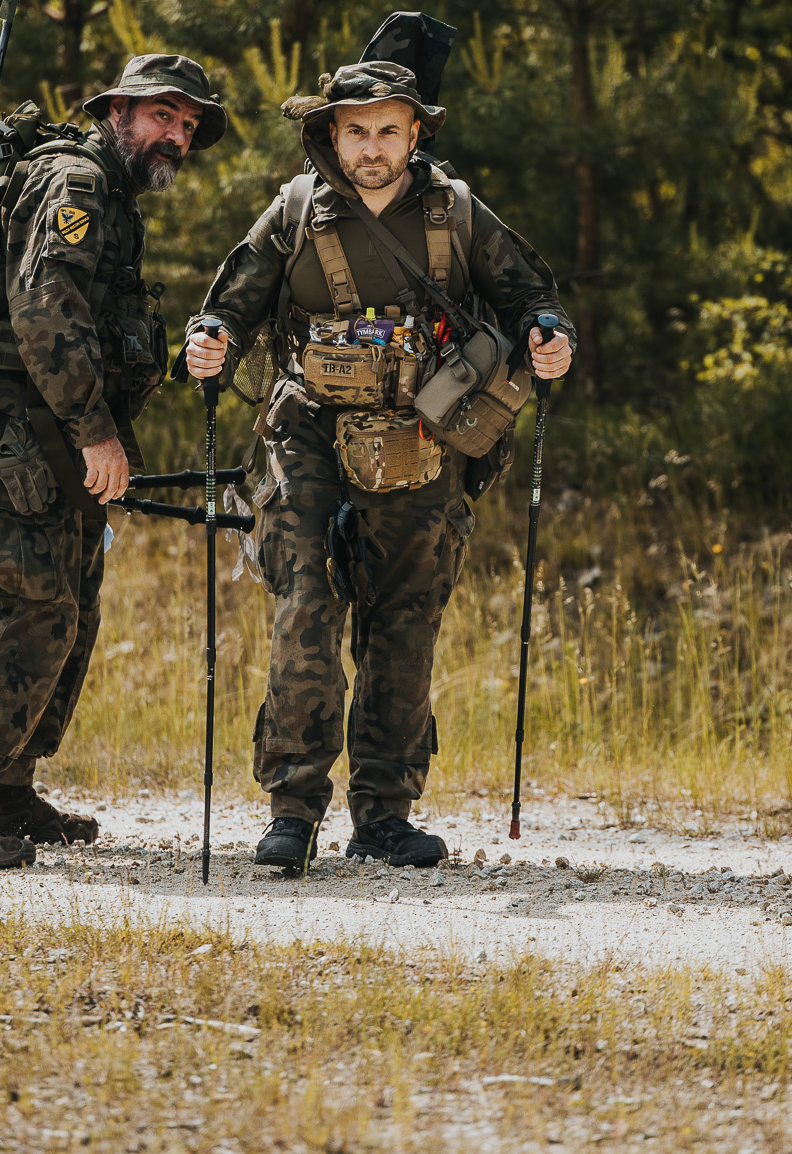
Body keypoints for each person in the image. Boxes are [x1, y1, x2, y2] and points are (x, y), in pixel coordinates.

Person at [184, 60, 573, 872]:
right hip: (307, 433)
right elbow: (229, 305)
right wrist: (209, 341)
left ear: (415, 133)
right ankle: (293, 809)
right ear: (331, 134)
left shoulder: (456, 212)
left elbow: (530, 295)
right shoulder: (296, 209)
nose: (372, 147)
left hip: (421, 441)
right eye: (356, 130)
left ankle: (385, 815)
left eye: (388, 130)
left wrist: (548, 334)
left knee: (405, 621)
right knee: (306, 606)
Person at [0, 55, 228, 867]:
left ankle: (4, 783)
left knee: (73, 597)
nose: (176, 136)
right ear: (118, 111)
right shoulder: (75, 182)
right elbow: (44, 305)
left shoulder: (112, 193)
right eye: (163, 116)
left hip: (54, 420)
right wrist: (92, 427)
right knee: (34, 596)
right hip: (23, 419)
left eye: (188, 125)